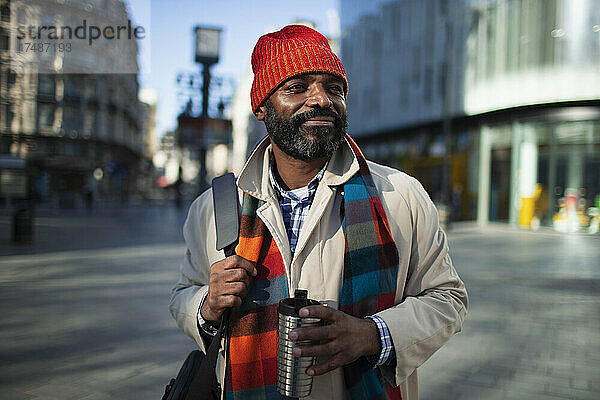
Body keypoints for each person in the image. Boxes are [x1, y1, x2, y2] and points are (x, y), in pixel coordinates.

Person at [170, 25, 468, 400]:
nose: (321, 100)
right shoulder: (215, 208)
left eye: (334, 88)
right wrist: (207, 307)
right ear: (261, 107)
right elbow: (184, 293)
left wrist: (372, 335)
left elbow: (448, 298)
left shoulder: (399, 195)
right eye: (297, 88)